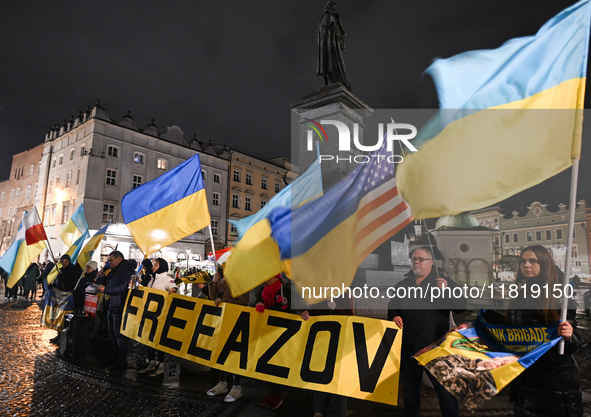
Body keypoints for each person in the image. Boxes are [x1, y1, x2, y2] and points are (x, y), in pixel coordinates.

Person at [387, 246, 466, 417]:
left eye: (421, 259)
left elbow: (461, 307)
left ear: (431, 262)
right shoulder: (403, 284)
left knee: (445, 392)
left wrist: (447, 290)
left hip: (435, 347)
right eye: (414, 259)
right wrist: (394, 316)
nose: (416, 262)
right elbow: (393, 308)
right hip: (409, 347)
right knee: (410, 392)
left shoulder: (442, 282)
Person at [506, 245, 582, 416]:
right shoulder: (519, 294)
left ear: (545, 264)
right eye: (523, 261)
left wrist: (568, 335)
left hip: (554, 384)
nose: (526, 265)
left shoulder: (559, 295)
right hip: (525, 381)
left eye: (533, 261)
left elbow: (574, 343)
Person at [301, 296, 355, 417]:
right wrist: (306, 312)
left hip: (339, 342)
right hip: (322, 340)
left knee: (338, 377)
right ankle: (319, 409)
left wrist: (336, 308)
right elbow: (313, 312)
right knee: (320, 374)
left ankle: (336, 412)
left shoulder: (345, 292)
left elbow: (351, 317)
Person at [206, 266, 250, 402]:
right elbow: (213, 296)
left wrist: (224, 302)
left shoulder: (243, 282)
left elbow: (244, 302)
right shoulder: (223, 281)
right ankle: (222, 383)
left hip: (236, 321)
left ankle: (237, 387)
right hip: (223, 320)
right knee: (221, 351)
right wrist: (214, 282)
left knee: (235, 353)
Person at [255, 274, 291, 410]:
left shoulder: (285, 290)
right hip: (266, 332)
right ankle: (270, 392)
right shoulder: (261, 290)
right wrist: (258, 305)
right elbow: (257, 303)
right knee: (268, 363)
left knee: (278, 363)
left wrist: (283, 305)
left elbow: (290, 311)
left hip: (280, 332)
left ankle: (278, 395)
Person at [137, 258, 177, 378]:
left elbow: (172, 285)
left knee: (158, 341)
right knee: (148, 340)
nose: (153, 266)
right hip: (149, 314)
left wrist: (173, 289)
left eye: (155, 264)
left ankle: (160, 365)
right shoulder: (152, 278)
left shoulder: (166, 279)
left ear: (161, 266)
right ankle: (150, 362)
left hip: (160, 316)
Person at [96, 250, 136, 370]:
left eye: (111, 260)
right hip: (112, 305)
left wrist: (106, 290)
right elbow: (110, 283)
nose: (109, 262)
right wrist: (101, 278)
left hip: (119, 306)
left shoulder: (126, 270)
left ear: (119, 258)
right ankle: (114, 356)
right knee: (113, 334)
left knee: (120, 336)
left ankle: (121, 360)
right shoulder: (116, 269)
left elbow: (124, 287)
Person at [317, 1, 351, 89]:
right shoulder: (327, 15)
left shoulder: (333, 16)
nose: (335, 7)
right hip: (329, 45)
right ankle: (332, 79)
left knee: (335, 62)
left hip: (332, 44)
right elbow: (323, 32)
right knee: (331, 62)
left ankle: (336, 79)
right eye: (333, 5)